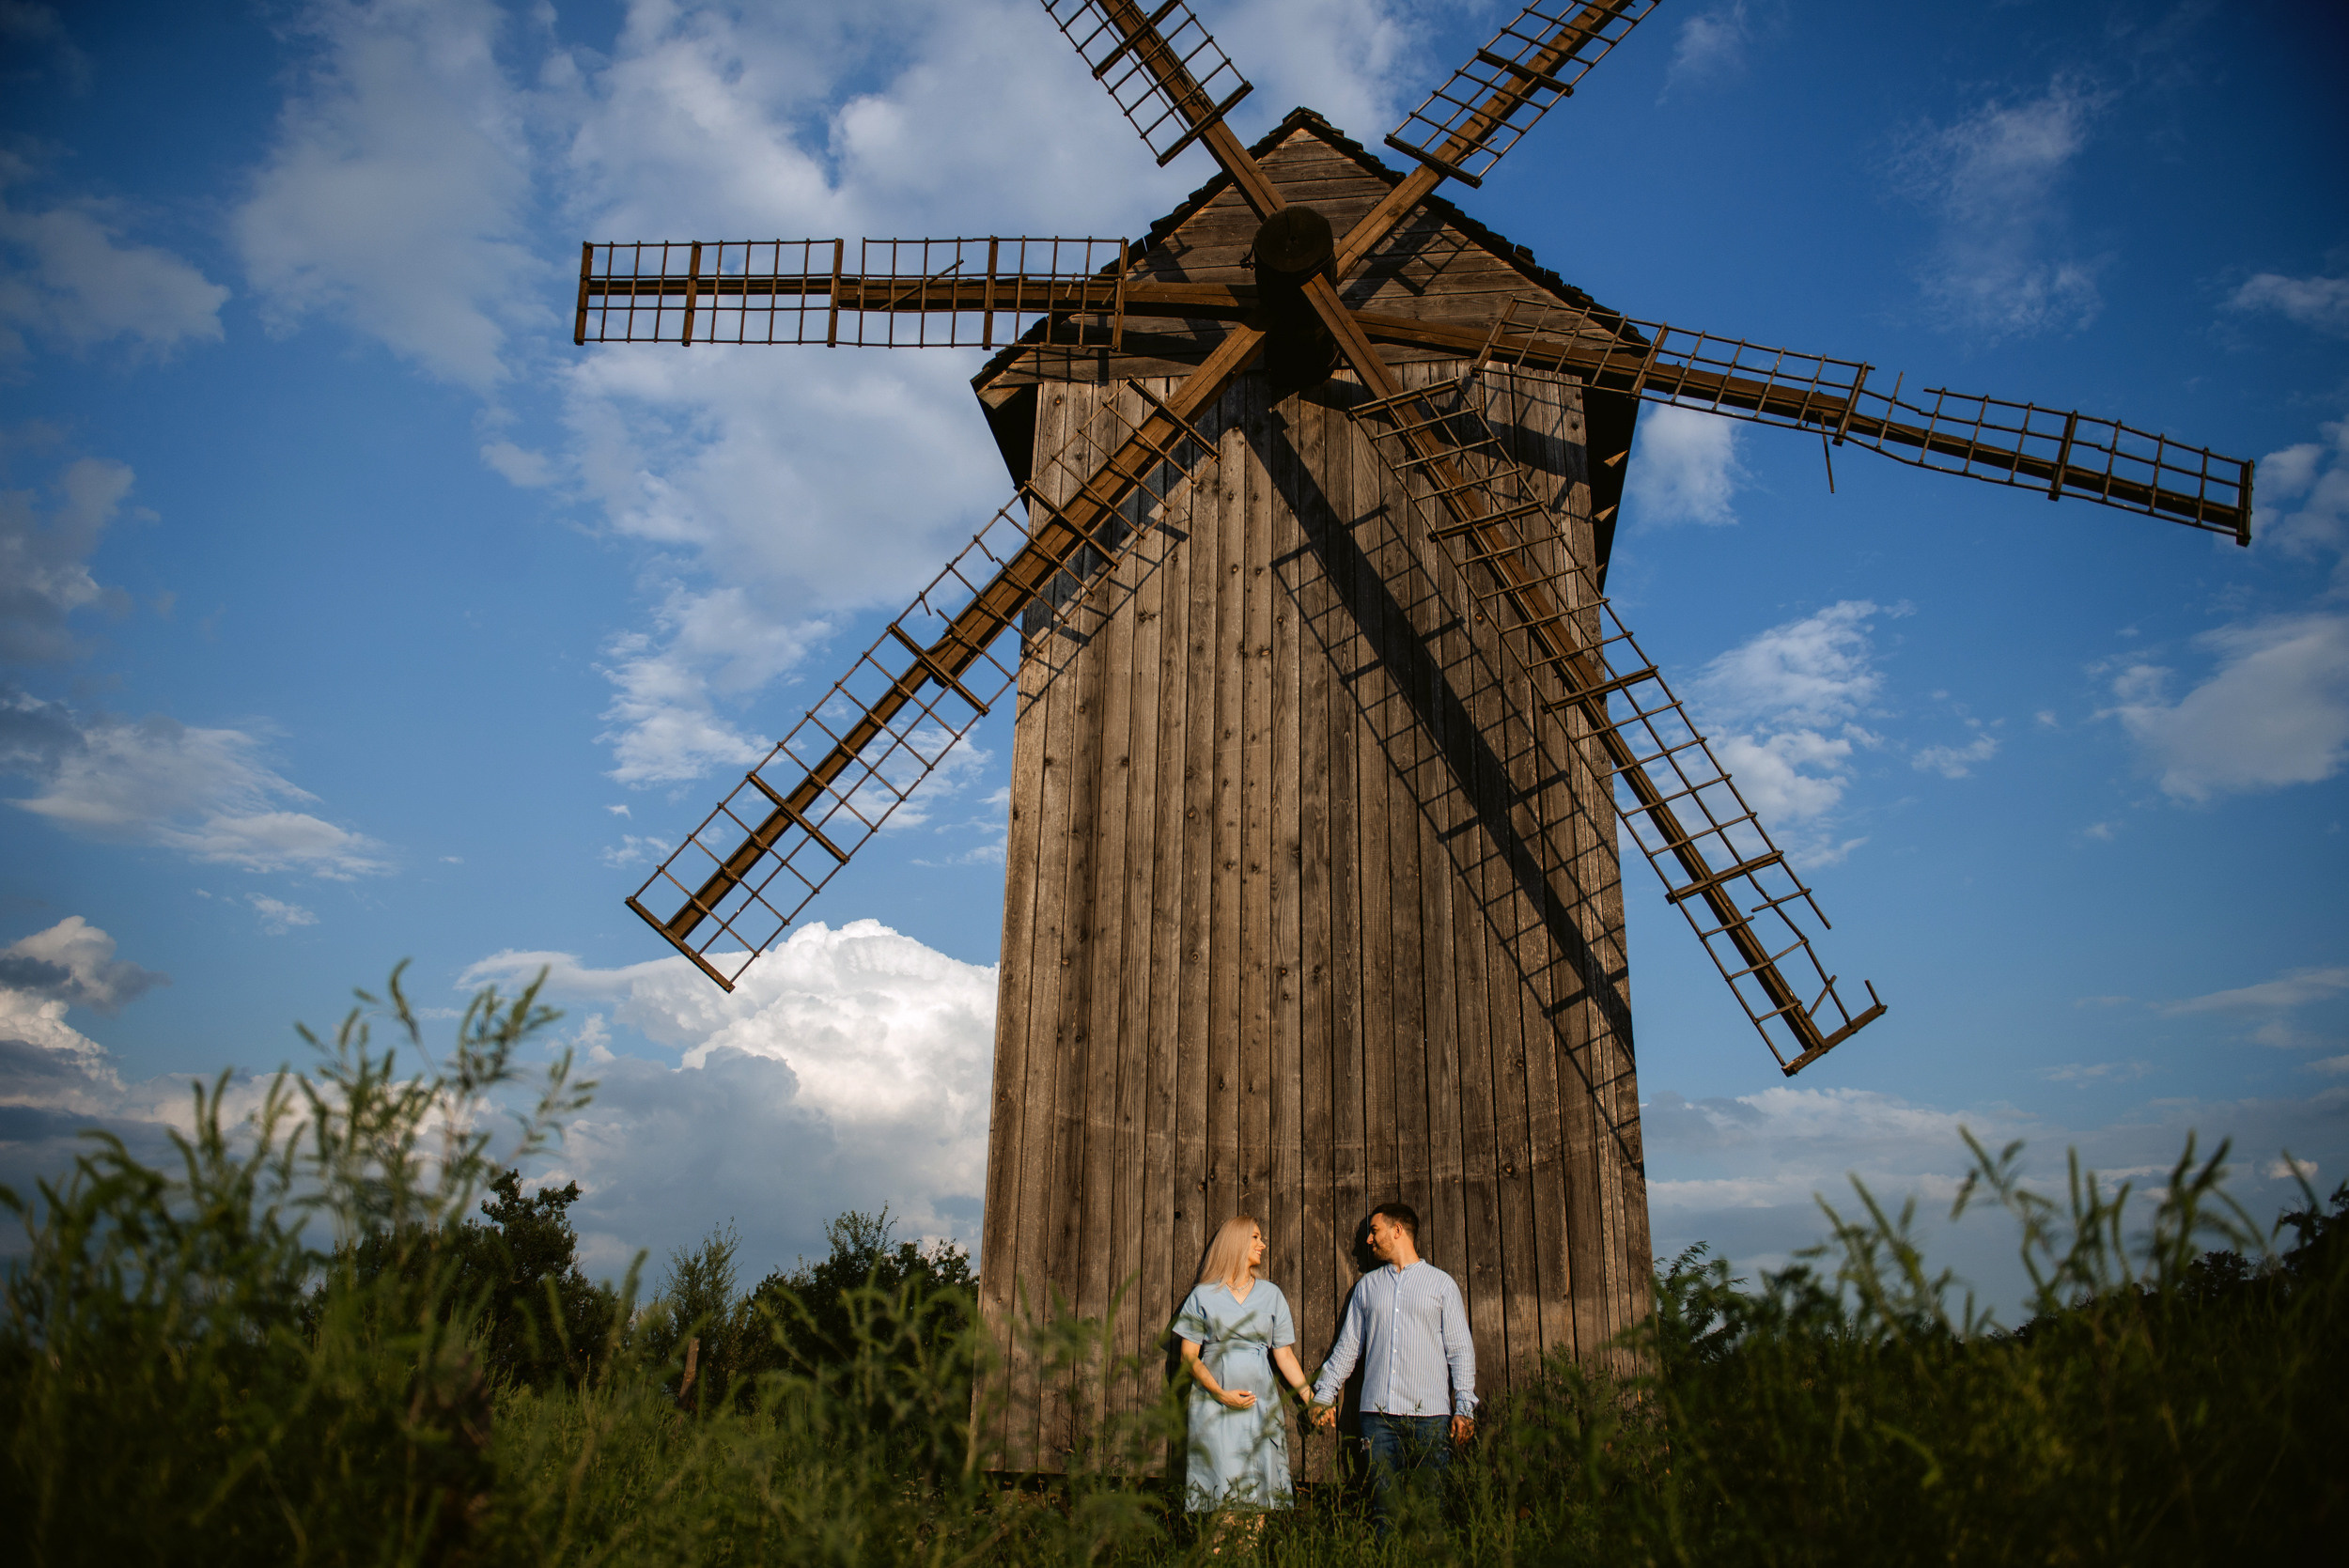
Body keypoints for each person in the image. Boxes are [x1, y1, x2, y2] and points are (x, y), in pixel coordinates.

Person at [1310, 1203, 1476, 1529]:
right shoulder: (1367, 1287)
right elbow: (1348, 1349)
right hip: (1378, 1420)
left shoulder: (1441, 1285)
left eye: (1374, 1231)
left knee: (1431, 1514)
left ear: (1398, 1230)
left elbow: (1460, 1350)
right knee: (1383, 1514)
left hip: (1430, 1420)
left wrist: (1465, 1408)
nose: (1369, 1241)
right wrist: (1324, 1394)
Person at [1174, 1216, 1317, 1535]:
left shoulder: (1271, 1294)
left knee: (1256, 1501)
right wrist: (1220, 1393)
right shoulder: (1203, 1296)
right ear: (1236, 1242)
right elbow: (1188, 1356)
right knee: (1221, 1501)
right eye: (1255, 1237)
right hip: (1215, 1406)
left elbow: (1285, 1355)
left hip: (1259, 1405)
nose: (1262, 1244)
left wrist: (1312, 1400)